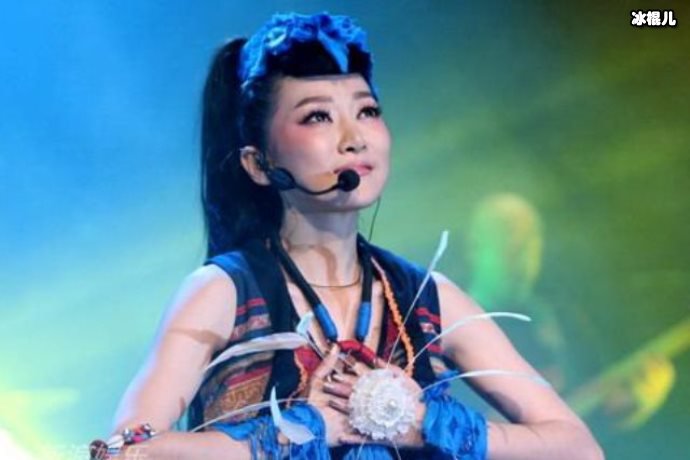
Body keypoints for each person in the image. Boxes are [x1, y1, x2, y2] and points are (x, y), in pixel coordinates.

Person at [93, 12, 604, 460]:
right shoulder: (223, 292)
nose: (354, 137)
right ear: (259, 164)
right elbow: (124, 452)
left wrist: (427, 424)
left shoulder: (426, 297)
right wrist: (297, 431)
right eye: (318, 116)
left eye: (367, 111)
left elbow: (578, 447)